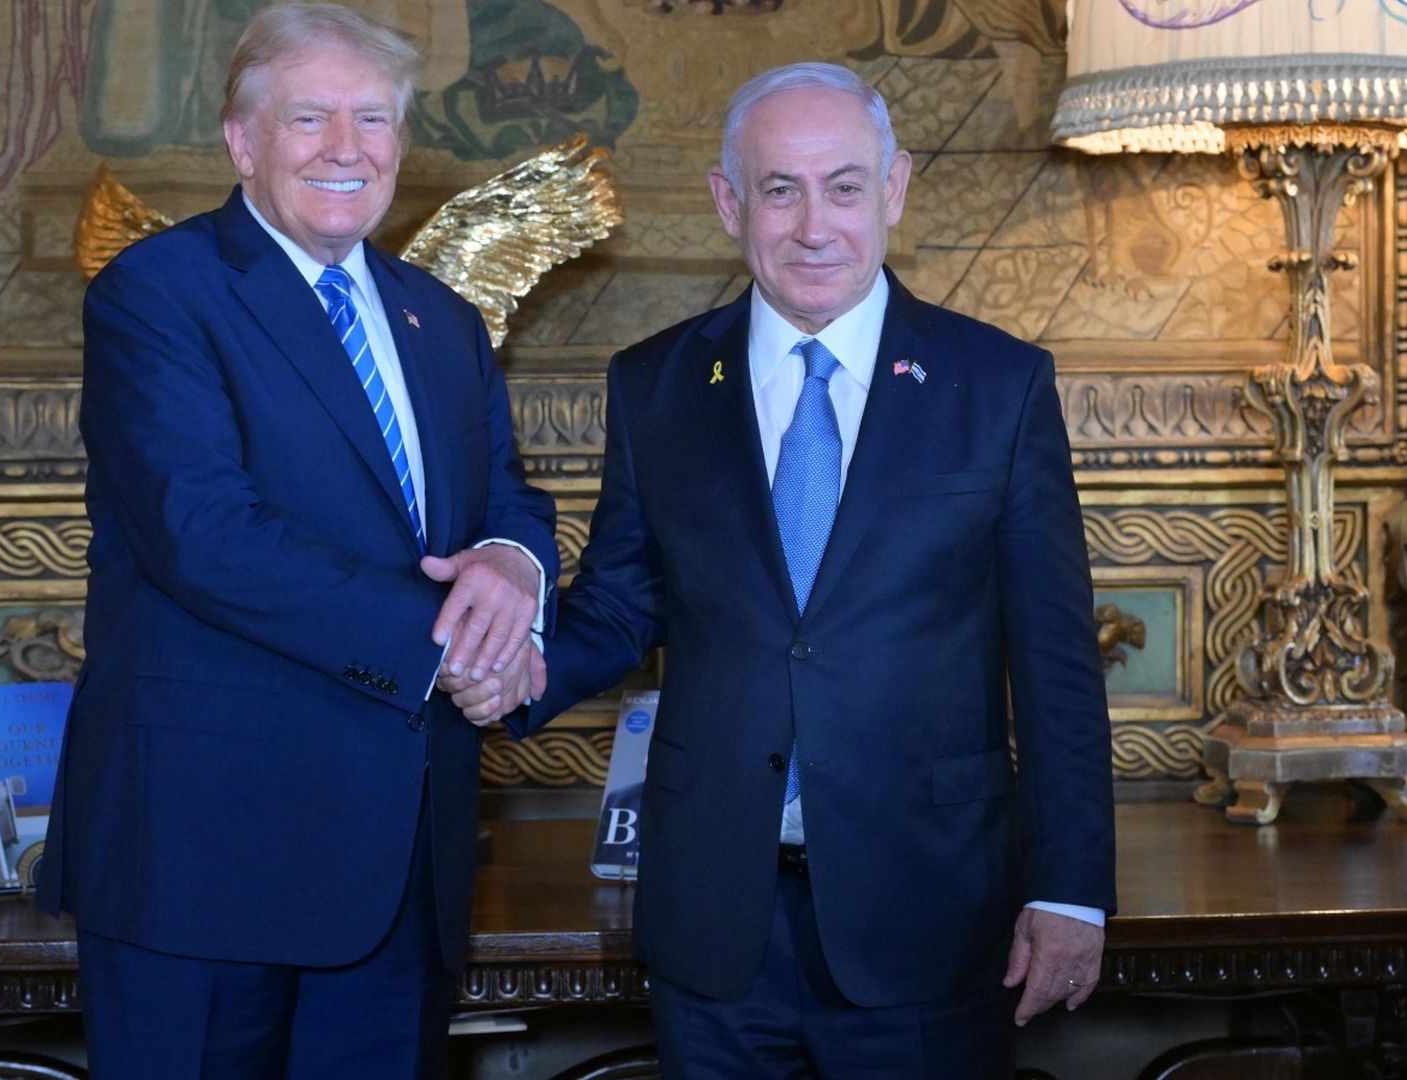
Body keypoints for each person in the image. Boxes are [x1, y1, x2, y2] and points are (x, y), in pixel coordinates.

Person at [450, 61, 1115, 1077]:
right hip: (716, 926)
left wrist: (1070, 889)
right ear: (730, 202)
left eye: (845, 187)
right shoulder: (657, 383)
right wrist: (518, 666)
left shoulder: (999, 384)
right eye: (780, 190)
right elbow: (627, 604)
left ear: (892, 191)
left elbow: (1058, 662)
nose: (815, 225)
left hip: (927, 915)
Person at [34, 5, 558, 1077]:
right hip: (209, 858)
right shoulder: (160, 293)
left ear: (401, 147)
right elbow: (205, 536)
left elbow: (504, 496)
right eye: (309, 116)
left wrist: (514, 567)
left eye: (372, 119)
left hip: (401, 867)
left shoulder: (439, 319)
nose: (346, 147)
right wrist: (461, 644)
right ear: (241, 141)